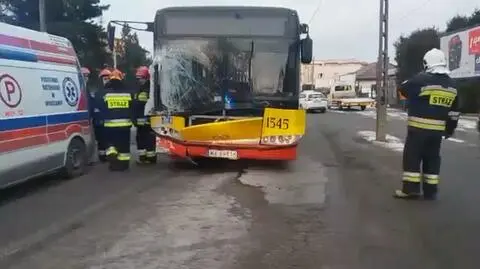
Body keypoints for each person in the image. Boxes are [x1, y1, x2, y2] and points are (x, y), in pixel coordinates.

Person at [394, 48, 460, 200]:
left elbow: (403, 89)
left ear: (427, 63)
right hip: (437, 132)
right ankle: (431, 192)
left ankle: (411, 190)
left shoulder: (420, 80)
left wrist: (410, 99)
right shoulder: (453, 85)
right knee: (433, 159)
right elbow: (454, 112)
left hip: (418, 129)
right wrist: (450, 129)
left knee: (413, 158)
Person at [95, 69, 134, 171]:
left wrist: (104, 116)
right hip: (125, 125)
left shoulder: (105, 93)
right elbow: (133, 106)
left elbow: (99, 106)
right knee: (124, 146)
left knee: (110, 142)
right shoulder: (128, 92)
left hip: (110, 125)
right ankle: (124, 165)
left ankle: (112, 154)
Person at [133, 66, 157, 164]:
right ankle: (143, 157)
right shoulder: (140, 89)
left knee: (148, 139)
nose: (139, 80)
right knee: (141, 139)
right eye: (138, 78)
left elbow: (140, 105)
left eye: (141, 78)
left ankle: (150, 158)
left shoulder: (149, 89)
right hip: (141, 122)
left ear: (147, 77)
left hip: (147, 121)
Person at [91, 68, 112, 162]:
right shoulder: (98, 92)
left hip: (109, 120)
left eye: (108, 79)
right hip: (99, 121)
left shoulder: (112, 91)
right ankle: (102, 156)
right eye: (104, 79)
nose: (106, 81)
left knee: (110, 139)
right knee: (101, 140)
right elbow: (95, 106)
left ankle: (109, 155)